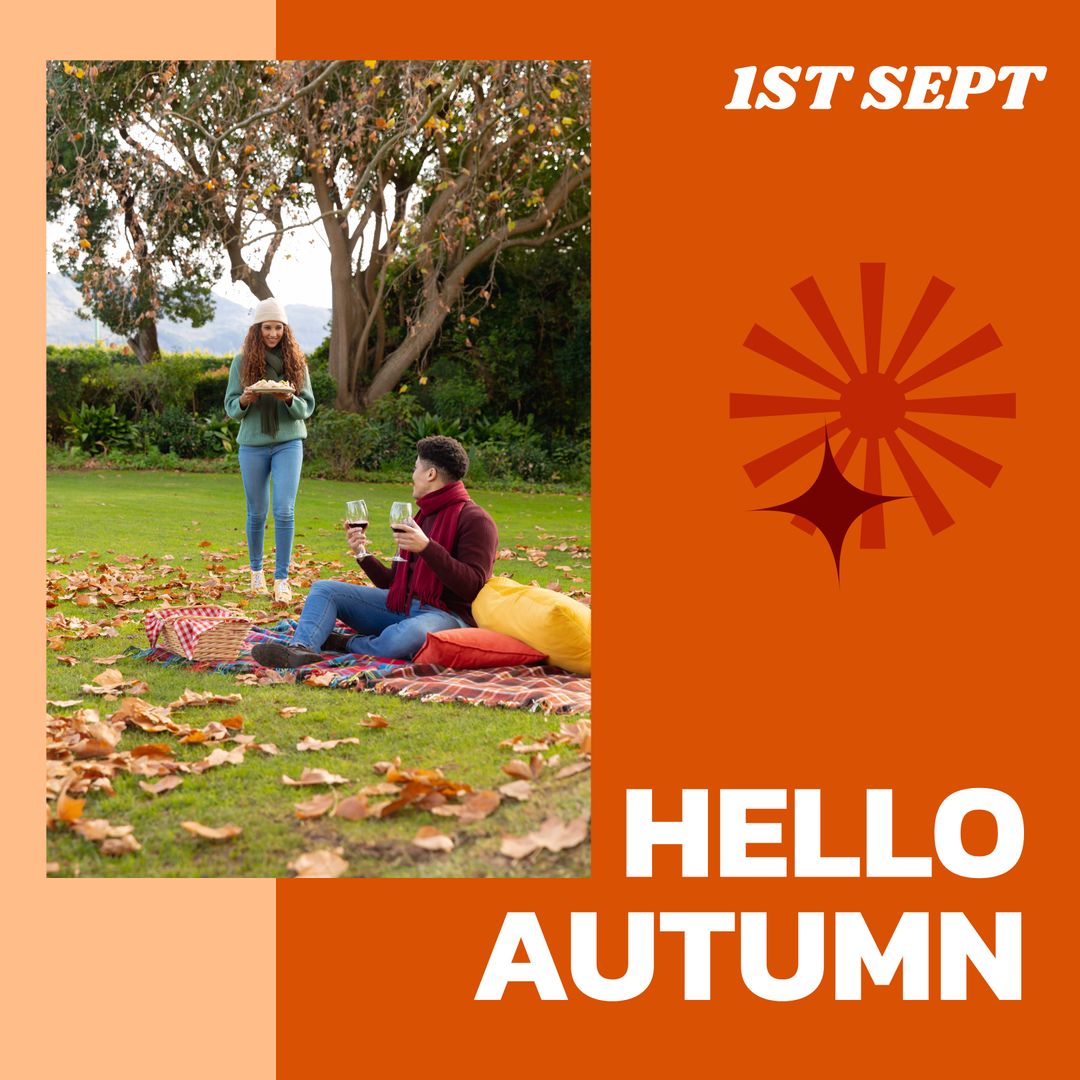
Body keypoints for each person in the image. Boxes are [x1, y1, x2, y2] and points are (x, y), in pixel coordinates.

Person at [251, 435, 498, 667]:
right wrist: (362, 552)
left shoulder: (476, 520)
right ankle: (301, 649)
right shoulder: (424, 515)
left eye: (415, 469)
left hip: (447, 615)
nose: (412, 476)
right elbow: (392, 583)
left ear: (431, 474)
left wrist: (427, 548)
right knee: (324, 589)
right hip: (404, 605)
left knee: (407, 635)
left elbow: (473, 586)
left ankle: (343, 643)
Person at [224, 298, 316, 603]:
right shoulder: (241, 362)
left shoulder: (297, 362)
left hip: (289, 443)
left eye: (278, 327)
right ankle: (256, 574)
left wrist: (287, 399)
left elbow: (307, 406)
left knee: (284, 510)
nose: (273, 333)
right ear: (257, 329)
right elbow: (231, 406)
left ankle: (281, 579)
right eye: (267, 327)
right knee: (257, 512)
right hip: (252, 445)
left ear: (285, 329)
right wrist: (246, 400)